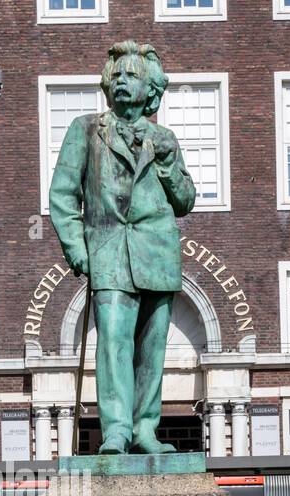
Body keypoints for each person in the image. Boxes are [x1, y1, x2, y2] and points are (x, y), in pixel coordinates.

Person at [49, 40, 196, 454]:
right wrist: (77, 248)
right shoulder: (85, 130)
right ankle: (116, 429)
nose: (122, 81)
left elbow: (185, 201)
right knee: (113, 340)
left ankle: (145, 429)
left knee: (152, 348)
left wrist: (167, 164)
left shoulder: (165, 139)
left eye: (132, 75)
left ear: (151, 88)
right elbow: (62, 195)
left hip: (157, 254)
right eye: (116, 75)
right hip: (108, 252)